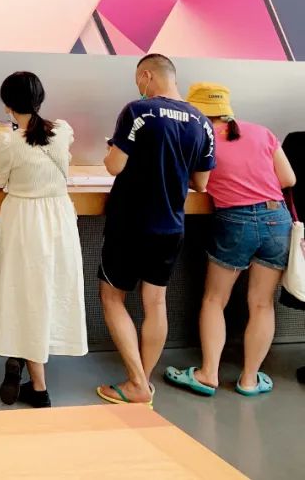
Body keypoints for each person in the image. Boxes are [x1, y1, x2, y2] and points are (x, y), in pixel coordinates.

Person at [97, 54, 215, 406]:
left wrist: (111, 151)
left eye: (138, 80)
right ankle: (143, 380)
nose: (138, 86)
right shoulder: (202, 122)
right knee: (156, 302)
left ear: (147, 75)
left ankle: (136, 383)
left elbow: (114, 166)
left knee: (112, 296)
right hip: (171, 226)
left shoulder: (139, 111)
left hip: (130, 222)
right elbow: (201, 183)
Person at [165, 83, 295, 397]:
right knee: (262, 304)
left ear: (197, 111)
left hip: (235, 222)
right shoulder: (262, 132)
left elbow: (199, 184)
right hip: (277, 219)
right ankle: (249, 380)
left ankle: (208, 374)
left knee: (214, 300)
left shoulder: (200, 139)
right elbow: (288, 179)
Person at [0, 72, 87, 409]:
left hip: (24, 223)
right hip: (59, 221)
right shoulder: (62, 131)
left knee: (23, 296)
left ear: (7, 106)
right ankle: (23, 366)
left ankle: (38, 387)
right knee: (45, 295)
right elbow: (53, 141)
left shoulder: (7, 142)